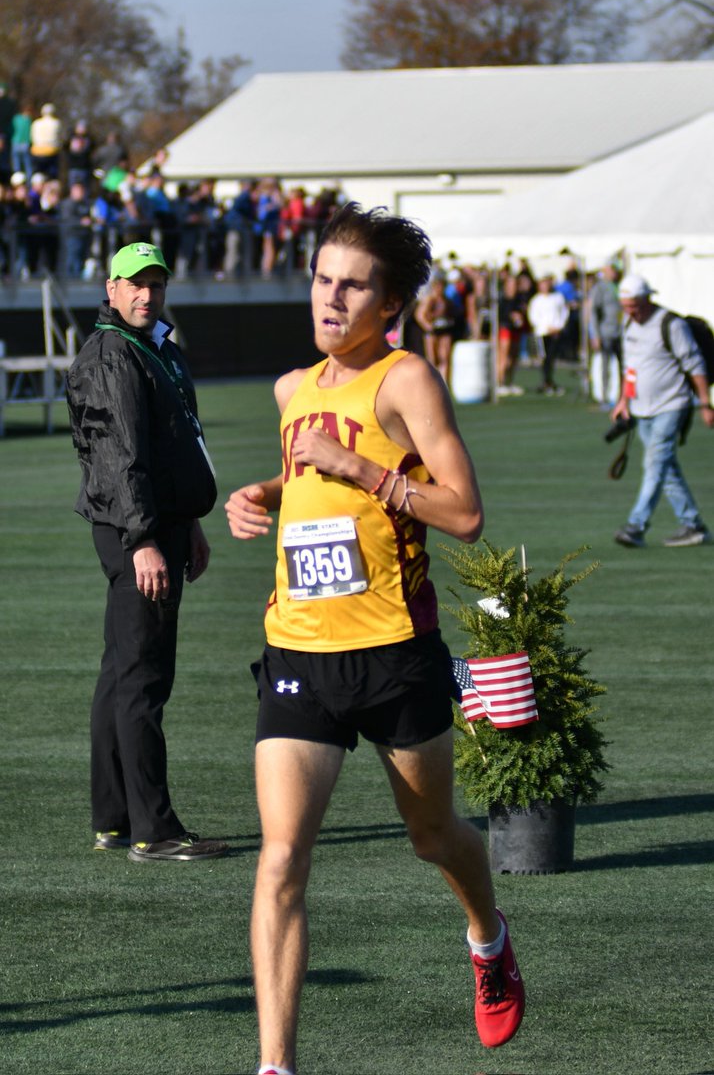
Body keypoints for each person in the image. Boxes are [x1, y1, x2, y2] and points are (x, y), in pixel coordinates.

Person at [225, 203, 525, 1075]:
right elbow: (305, 482)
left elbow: (464, 514)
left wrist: (361, 467)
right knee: (281, 858)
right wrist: (266, 497)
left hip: (393, 651)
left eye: (351, 284)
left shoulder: (406, 382)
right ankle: (276, 1065)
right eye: (322, 278)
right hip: (298, 652)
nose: (330, 296)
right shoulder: (292, 390)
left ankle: (487, 936)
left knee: (435, 838)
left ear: (387, 303)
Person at [66, 241, 227, 861]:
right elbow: (118, 458)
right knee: (142, 679)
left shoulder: (149, 346)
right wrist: (143, 540)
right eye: (134, 283)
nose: (145, 293)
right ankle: (152, 830)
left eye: (155, 283)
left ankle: (113, 818)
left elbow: (170, 446)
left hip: (158, 523)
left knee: (120, 674)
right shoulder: (114, 355)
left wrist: (187, 522)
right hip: (138, 531)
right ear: (110, 288)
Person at [612, 274, 713, 548]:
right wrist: (624, 400)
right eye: (626, 306)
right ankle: (694, 525)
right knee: (665, 468)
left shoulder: (671, 324)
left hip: (672, 404)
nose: (630, 311)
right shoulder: (629, 326)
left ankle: (636, 525)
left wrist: (705, 402)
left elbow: (695, 365)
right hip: (642, 409)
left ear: (647, 299)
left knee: (654, 464)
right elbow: (629, 368)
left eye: (634, 305)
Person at [414, 270, 459, 385]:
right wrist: (429, 326)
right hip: (433, 331)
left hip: (444, 330)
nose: (440, 288)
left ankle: (445, 383)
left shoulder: (446, 300)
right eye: (438, 285)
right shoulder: (430, 300)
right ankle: (433, 383)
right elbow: (420, 315)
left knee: (445, 356)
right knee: (433, 358)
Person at [587, 262, 622, 409]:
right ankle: (603, 396)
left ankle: (620, 396)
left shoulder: (619, 286)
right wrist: (595, 334)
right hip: (605, 332)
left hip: (619, 332)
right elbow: (593, 312)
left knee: (622, 366)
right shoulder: (599, 288)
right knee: (604, 365)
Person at [527, 273, 569, 395]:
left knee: (551, 357)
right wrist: (546, 327)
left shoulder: (558, 297)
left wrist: (558, 327)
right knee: (543, 358)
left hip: (555, 332)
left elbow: (564, 313)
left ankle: (549, 380)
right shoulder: (536, 300)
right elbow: (534, 317)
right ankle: (546, 381)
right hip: (542, 333)